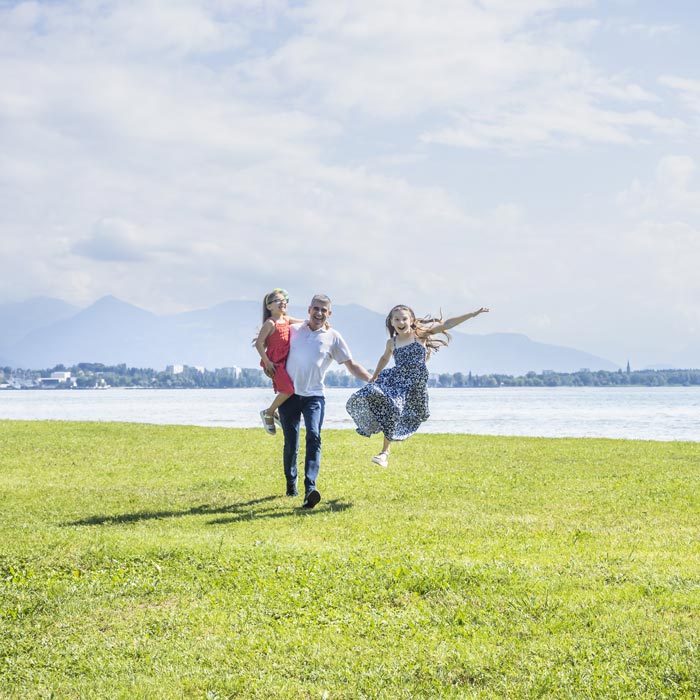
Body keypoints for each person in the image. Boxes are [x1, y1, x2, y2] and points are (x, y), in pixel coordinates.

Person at [346, 304, 489, 466]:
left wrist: (472, 314)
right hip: (397, 380)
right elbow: (384, 358)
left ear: (411, 320)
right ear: (392, 322)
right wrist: (374, 376)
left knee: (405, 413)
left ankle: (386, 449)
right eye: (397, 319)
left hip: (415, 385)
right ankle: (384, 452)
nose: (401, 322)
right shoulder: (391, 343)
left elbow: (447, 325)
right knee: (390, 406)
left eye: (404, 318)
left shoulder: (419, 335)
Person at [272, 294, 371, 508]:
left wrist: (372, 380)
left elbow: (351, 365)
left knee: (314, 436)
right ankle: (291, 483)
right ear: (309, 310)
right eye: (316, 309)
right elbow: (276, 333)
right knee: (291, 442)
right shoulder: (294, 330)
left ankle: (310, 488)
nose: (319, 313)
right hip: (289, 395)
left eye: (323, 310)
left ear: (329, 314)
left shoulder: (333, 337)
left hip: (315, 397)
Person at [254, 288, 304, 435]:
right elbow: (259, 343)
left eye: (284, 300)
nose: (282, 302)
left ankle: (275, 414)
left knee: (289, 390)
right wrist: (267, 362)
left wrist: (323, 323)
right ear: (269, 306)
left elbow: (305, 323)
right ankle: (269, 413)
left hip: (284, 360)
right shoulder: (270, 323)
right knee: (288, 390)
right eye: (278, 300)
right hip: (274, 363)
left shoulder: (287, 319)